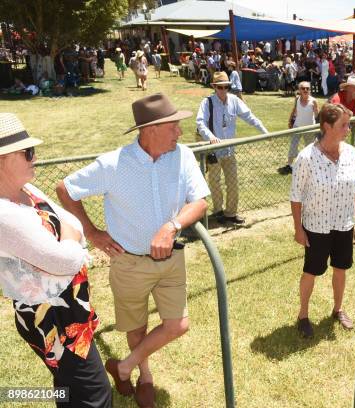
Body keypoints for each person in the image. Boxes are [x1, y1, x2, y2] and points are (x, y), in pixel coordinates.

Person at [56, 94, 210, 408]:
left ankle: (122, 367)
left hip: (171, 258)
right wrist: (92, 232)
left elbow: (200, 201)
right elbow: (65, 189)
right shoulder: (113, 164)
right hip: (128, 263)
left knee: (178, 324)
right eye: (173, 126)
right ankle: (145, 375)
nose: (179, 132)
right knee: (136, 328)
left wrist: (171, 227)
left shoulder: (183, 156)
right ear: (150, 129)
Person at [0, 113, 112, 407]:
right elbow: (64, 261)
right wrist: (68, 243)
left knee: (70, 390)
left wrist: (66, 243)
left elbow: (72, 225)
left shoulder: (24, 189)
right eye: (27, 152)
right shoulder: (4, 214)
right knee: (95, 396)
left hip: (67, 309)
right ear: (1, 160)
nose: (34, 157)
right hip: (53, 320)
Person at [290, 103, 355, 338]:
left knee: (341, 269)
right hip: (316, 226)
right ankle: (303, 315)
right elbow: (296, 196)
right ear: (327, 126)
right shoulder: (306, 158)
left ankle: (338, 309)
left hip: (344, 224)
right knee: (311, 271)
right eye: (344, 125)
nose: (348, 129)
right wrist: (298, 230)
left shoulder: (351, 153)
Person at [196, 72, 268, 225]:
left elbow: (249, 116)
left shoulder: (234, 100)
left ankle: (231, 213)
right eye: (220, 87)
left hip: (229, 149)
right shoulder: (207, 102)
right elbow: (200, 123)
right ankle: (218, 211)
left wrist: (264, 131)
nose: (223, 90)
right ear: (214, 87)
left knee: (233, 181)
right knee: (215, 181)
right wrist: (211, 138)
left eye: (226, 87)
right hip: (214, 150)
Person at [279, 81, 319, 175]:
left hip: (310, 128)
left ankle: (309, 166)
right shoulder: (297, 98)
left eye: (307, 88)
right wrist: (290, 120)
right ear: (299, 90)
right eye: (303, 88)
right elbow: (295, 110)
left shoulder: (313, 101)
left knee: (309, 148)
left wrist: (318, 128)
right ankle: (289, 165)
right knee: (293, 145)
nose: (305, 90)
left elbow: (317, 115)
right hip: (297, 126)